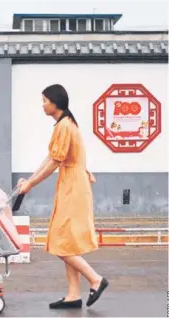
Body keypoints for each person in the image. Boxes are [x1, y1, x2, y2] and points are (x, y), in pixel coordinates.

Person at [17, 84, 108, 309]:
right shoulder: (63, 125)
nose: (43, 105)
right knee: (67, 242)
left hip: (73, 187)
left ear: (55, 103)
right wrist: (29, 180)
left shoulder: (64, 126)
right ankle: (73, 295)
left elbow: (55, 162)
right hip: (71, 185)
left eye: (45, 101)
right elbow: (50, 158)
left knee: (60, 243)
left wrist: (32, 183)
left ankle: (95, 279)